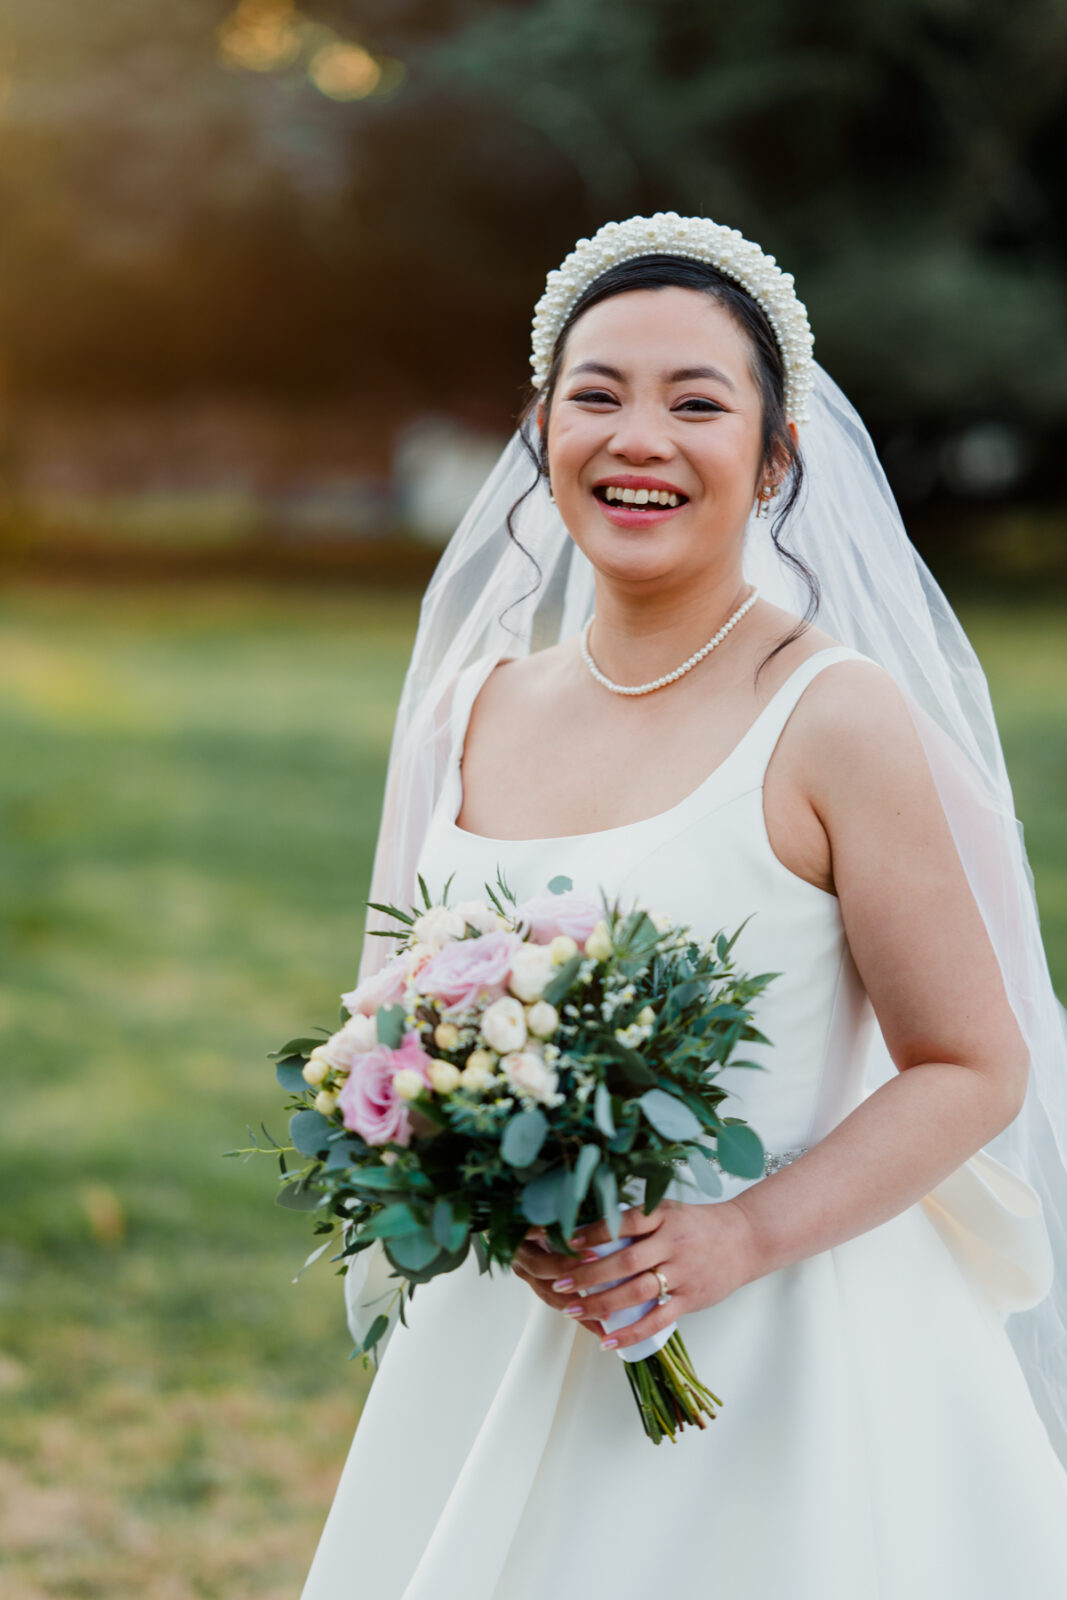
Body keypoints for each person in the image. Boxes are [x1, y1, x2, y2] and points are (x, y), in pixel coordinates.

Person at [300, 215, 1067, 1599]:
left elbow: (976, 1061)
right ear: (541, 435)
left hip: (789, 1351)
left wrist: (738, 1237)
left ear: (776, 458)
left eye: (696, 403)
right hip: (509, 1325)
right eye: (595, 396)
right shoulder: (471, 709)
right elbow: (395, 1019)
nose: (637, 437)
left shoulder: (833, 714)